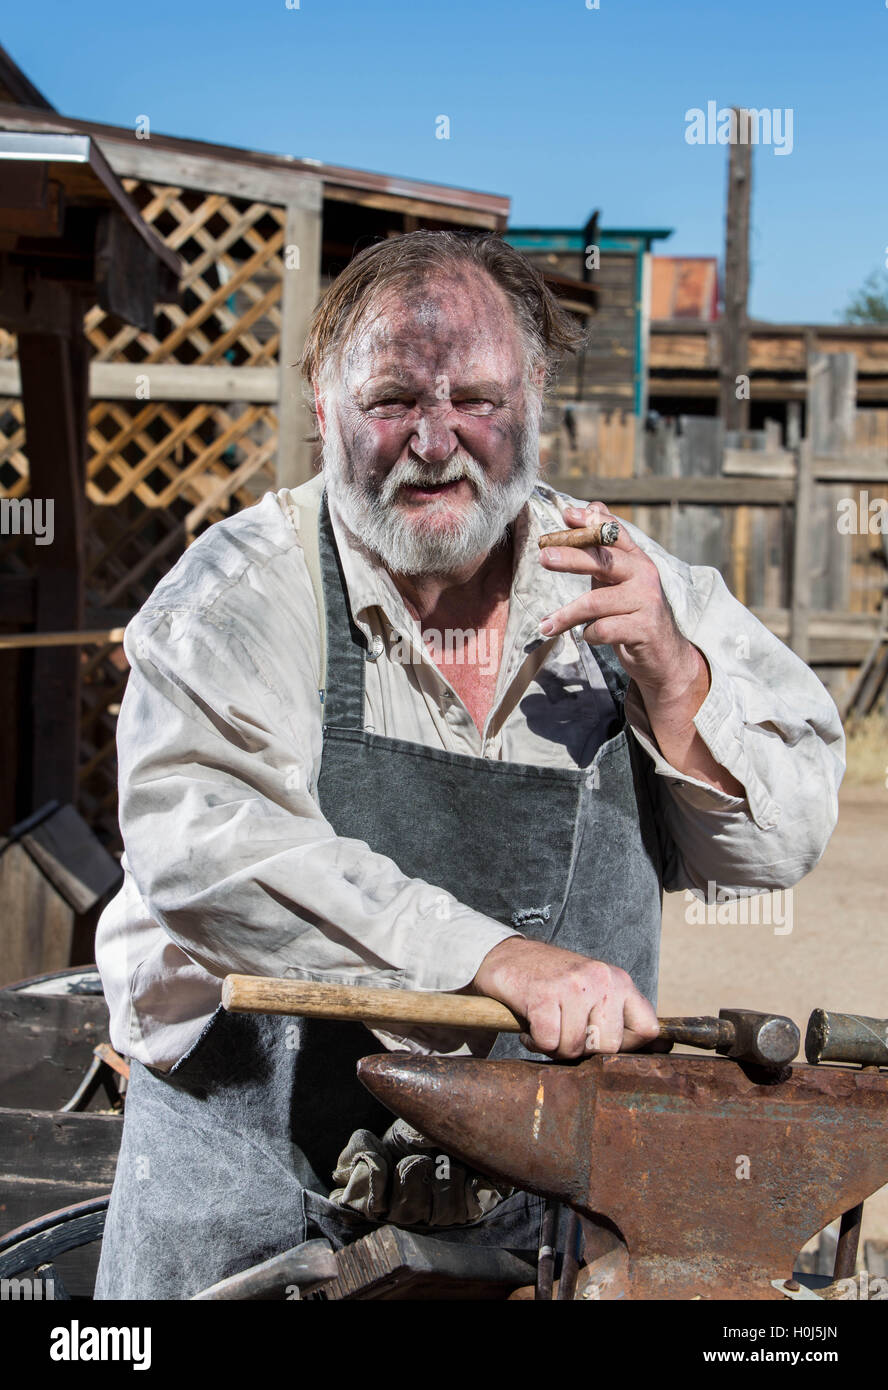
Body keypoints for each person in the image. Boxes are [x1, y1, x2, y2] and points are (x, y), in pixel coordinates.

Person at [93, 230, 844, 1298]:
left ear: (533, 394)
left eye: (477, 399)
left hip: (538, 1225)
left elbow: (783, 841)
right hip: (254, 1196)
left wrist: (676, 678)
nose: (435, 441)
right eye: (394, 396)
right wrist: (498, 959)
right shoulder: (241, 597)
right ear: (323, 399)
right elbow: (207, 849)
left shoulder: (624, 586)